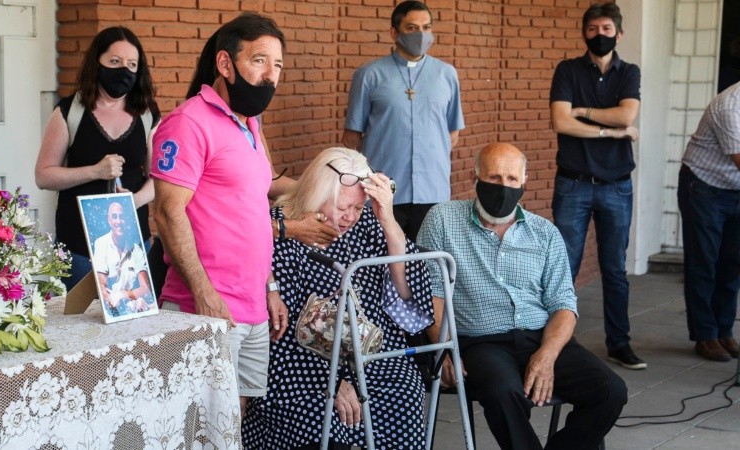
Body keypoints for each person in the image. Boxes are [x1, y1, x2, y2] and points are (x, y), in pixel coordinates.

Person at [417, 143, 627, 450]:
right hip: (481, 342)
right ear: (475, 177)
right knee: (503, 391)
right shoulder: (443, 219)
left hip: (540, 337)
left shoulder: (545, 233)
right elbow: (431, 293)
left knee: (610, 391)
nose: (503, 186)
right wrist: (444, 349)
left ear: (524, 181)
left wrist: (547, 355)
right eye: (494, 177)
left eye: (512, 179)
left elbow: (564, 305)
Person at [243, 147, 433, 450]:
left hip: (368, 355)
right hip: (300, 363)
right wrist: (330, 379)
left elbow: (408, 293)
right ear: (317, 193)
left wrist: (388, 220)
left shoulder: (367, 223)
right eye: (342, 207)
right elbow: (279, 329)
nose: (350, 217)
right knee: (322, 415)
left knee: (405, 390)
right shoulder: (285, 227)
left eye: (357, 207)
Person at [150, 12, 287, 415]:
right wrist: (204, 293)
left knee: (234, 421)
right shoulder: (187, 123)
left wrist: (270, 286)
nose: (270, 75)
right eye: (259, 61)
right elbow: (167, 212)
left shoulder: (251, 124)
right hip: (204, 307)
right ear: (226, 64)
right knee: (197, 424)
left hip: (253, 306)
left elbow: (253, 209)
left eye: (278, 65)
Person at [549, 2, 644, 370]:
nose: (599, 35)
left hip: (616, 186)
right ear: (583, 33)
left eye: (606, 29)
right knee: (564, 269)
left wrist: (583, 111)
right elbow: (561, 122)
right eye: (592, 29)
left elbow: (627, 113)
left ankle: (619, 344)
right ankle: (558, 344)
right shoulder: (567, 70)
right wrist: (612, 132)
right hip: (573, 184)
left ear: (619, 34)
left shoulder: (629, 72)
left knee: (615, 269)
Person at [35, 26, 159, 291]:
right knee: (78, 317)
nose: (124, 70)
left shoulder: (147, 114)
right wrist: (95, 171)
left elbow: (158, 177)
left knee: (132, 312)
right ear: (97, 63)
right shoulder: (70, 111)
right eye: (115, 61)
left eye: (132, 64)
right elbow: (43, 175)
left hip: (132, 246)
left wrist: (133, 202)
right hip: (79, 248)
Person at [342, 0, 464, 242]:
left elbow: (452, 134)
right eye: (412, 28)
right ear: (394, 33)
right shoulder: (369, 75)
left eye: (426, 27)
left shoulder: (447, 74)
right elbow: (351, 138)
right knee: (382, 257)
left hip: (433, 190)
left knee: (427, 258)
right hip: (382, 190)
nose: (421, 34)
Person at [677, 81, 740, 362]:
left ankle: (724, 331)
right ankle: (705, 335)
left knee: (732, 263)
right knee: (704, 263)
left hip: (735, 188)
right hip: (704, 188)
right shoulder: (730, 105)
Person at [92, 201, 153, 317]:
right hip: (110, 311)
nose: (119, 221)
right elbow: (101, 286)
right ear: (109, 220)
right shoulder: (101, 243)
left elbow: (146, 290)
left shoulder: (136, 250)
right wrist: (110, 299)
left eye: (122, 217)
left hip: (132, 310)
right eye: (114, 217)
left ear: (127, 221)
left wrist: (122, 294)